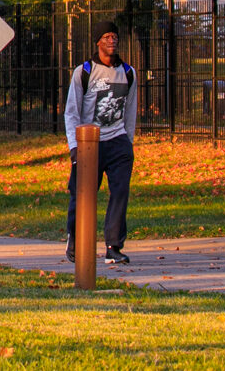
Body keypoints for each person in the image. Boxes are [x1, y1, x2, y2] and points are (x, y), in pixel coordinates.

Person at [64, 20, 135, 265]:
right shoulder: (83, 72)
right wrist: (75, 146)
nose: (111, 41)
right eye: (106, 36)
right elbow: (71, 112)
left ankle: (113, 246)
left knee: (120, 193)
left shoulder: (128, 72)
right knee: (82, 194)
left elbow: (130, 111)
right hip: (89, 143)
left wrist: (129, 142)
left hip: (117, 141)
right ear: (98, 42)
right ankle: (76, 239)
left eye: (114, 36)